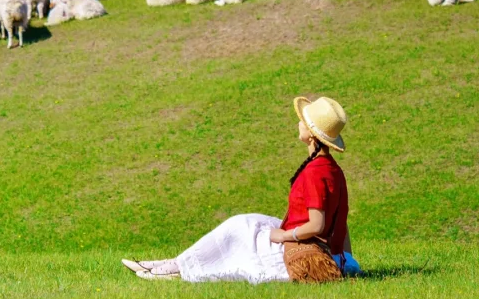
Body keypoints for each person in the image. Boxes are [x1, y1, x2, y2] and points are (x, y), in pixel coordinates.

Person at [122, 95, 359, 283]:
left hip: (307, 248)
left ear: (311, 136)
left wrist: (284, 235)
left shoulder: (315, 173)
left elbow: (317, 225)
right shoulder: (333, 170)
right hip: (328, 251)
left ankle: (175, 269)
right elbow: (341, 221)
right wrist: (345, 259)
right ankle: (174, 263)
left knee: (238, 231)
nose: (299, 123)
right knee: (250, 223)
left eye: (304, 122)